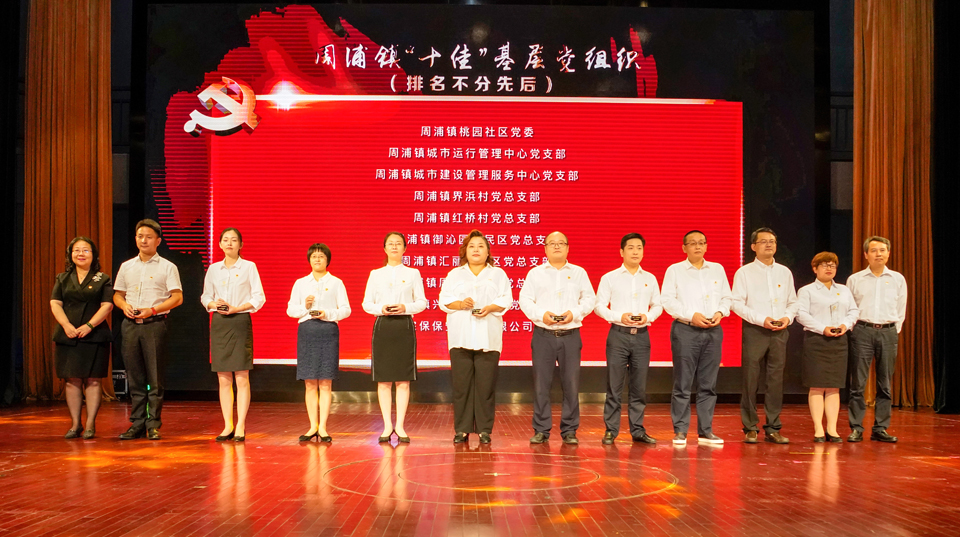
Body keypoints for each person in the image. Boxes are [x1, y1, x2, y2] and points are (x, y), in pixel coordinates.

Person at [519, 231, 596, 445]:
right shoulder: (535, 273)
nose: (556, 246)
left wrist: (575, 313)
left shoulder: (579, 273)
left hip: (570, 335)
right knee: (541, 384)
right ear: (545, 248)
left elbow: (589, 299)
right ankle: (541, 429)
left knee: (571, 384)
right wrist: (541, 315)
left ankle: (569, 430)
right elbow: (525, 300)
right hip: (543, 334)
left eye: (561, 243)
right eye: (552, 243)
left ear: (568, 248)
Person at [439, 230, 512, 444]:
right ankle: (461, 429)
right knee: (461, 386)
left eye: (481, 246)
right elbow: (444, 300)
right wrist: (461, 304)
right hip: (460, 337)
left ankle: (484, 429)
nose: (476, 250)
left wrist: (490, 307)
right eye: (472, 246)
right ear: (465, 251)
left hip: (488, 338)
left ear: (488, 251)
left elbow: (506, 299)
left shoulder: (498, 274)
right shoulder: (455, 274)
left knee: (485, 386)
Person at [113, 219, 183, 440]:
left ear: (158, 241)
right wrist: (124, 306)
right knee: (134, 376)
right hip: (130, 326)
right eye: (140, 236)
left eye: (149, 237)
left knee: (154, 377)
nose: (143, 240)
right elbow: (118, 295)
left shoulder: (168, 267)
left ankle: (153, 424)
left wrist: (152, 310)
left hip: (154, 325)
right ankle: (137, 423)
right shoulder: (127, 266)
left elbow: (177, 297)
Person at [661, 230, 732, 446]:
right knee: (682, 383)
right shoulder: (675, 270)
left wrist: (720, 312)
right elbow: (667, 301)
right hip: (686, 329)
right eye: (692, 243)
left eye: (701, 242)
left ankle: (706, 431)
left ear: (706, 246)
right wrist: (692, 315)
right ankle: (680, 430)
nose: (698, 246)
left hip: (713, 330)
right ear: (684, 247)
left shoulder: (717, 269)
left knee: (708, 384)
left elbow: (727, 297)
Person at [731, 227, 798, 444]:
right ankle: (750, 427)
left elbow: (793, 302)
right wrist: (762, 319)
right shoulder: (744, 273)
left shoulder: (784, 272)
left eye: (772, 241)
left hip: (780, 331)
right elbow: (736, 303)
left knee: (775, 380)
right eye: (764, 241)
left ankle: (773, 427)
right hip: (755, 330)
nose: (769, 244)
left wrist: (787, 318)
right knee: (750, 380)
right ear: (753, 246)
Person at [594, 233, 662, 445]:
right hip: (618, 335)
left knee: (639, 387)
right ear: (621, 252)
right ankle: (611, 430)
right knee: (614, 386)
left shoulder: (649, 278)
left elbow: (658, 305)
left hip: (642, 336)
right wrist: (618, 316)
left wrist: (648, 317)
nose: (635, 252)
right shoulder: (610, 278)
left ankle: (638, 429)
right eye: (631, 248)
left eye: (639, 248)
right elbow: (598, 306)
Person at [200, 228, 265, 442]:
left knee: (242, 376)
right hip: (219, 322)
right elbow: (205, 296)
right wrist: (214, 304)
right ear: (220, 244)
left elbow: (259, 298)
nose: (229, 243)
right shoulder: (213, 269)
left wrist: (237, 308)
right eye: (225, 240)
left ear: (240, 245)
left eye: (234, 240)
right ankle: (227, 424)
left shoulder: (249, 267)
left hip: (240, 321)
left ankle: (241, 425)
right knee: (223, 377)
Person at [362, 232, 427, 443]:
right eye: (390, 244)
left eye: (398, 244)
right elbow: (366, 304)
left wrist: (404, 307)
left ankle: (400, 425)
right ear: (384, 248)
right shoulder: (375, 274)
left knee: (403, 379)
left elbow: (422, 302)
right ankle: (386, 426)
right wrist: (381, 308)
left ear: (405, 248)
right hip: (383, 326)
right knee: (383, 380)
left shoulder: (413, 273)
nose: (394, 247)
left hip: (404, 325)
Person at [50, 237, 113, 439]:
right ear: (70, 255)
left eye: (86, 250)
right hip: (68, 335)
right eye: (76, 250)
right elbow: (55, 303)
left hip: (95, 335)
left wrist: (89, 326)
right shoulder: (62, 278)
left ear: (93, 255)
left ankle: (90, 424)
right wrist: (66, 325)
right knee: (72, 380)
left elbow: (107, 305)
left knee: (93, 380)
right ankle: (75, 424)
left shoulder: (102, 278)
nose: (81, 254)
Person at [845, 236, 908, 443]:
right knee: (858, 383)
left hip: (888, 332)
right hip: (862, 331)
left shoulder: (898, 279)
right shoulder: (855, 279)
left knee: (885, 383)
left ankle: (880, 428)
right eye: (873, 250)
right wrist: (854, 329)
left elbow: (901, 308)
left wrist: (894, 330)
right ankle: (856, 427)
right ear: (866, 254)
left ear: (888, 253)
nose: (878, 254)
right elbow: (849, 307)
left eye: (882, 250)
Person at [287, 243, 351, 442]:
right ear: (309, 259)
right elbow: (290, 310)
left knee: (325, 381)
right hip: (307, 332)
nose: (317, 259)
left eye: (321, 256)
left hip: (328, 331)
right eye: (314, 256)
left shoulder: (336, 283)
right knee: (309, 382)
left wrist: (327, 313)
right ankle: (312, 426)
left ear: (327, 260)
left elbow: (346, 310)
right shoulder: (300, 283)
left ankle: (323, 427)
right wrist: (305, 307)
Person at [796, 252, 859, 443]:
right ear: (815, 268)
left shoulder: (844, 290)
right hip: (816, 340)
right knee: (817, 386)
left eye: (832, 265)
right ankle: (818, 429)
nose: (829, 268)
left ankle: (832, 429)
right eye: (824, 265)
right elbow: (801, 314)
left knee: (834, 387)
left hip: (839, 341)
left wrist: (845, 325)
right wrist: (822, 328)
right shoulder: (807, 291)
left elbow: (854, 311)